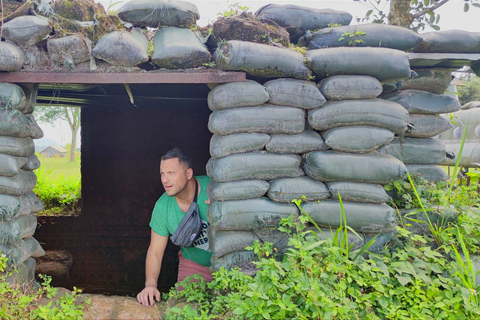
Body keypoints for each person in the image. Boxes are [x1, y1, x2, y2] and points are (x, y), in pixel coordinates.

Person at [136, 148, 212, 306]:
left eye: (171, 173)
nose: (165, 180)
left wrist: (222, 207)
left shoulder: (213, 189)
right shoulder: (162, 207)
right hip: (194, 264)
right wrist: (150, 285)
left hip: (227, 261)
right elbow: (155, 251)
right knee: (183, 308)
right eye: (162, 174)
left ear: (189, 174)